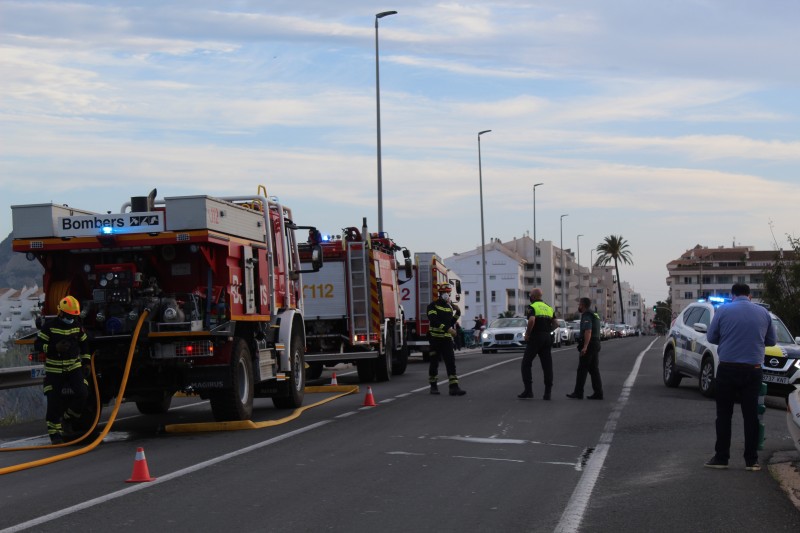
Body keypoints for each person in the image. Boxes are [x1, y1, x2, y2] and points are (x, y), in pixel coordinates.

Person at [704, 283, 775, 471]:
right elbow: (771, 341)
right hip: (753, 369)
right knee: (751, 415)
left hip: (727, 369)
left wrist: (729, 338)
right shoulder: (763, 313)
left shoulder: (723, 310)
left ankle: (721, 458)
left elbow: (711, 337)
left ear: (732, 295)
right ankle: (752, 460)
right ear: (749, 295)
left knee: (724, 414)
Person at [34, 295, 91, 444]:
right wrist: (54, 348)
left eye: (73, 316)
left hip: (73, 367)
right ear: (61, 313)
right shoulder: (50, 326)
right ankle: (55, 434)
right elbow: (38, 344)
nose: (70, 319)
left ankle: (67, 419)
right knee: (54, 402)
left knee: (82, 394)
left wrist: (86, 362)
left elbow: (84, 343)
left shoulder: (77, 326)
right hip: (54, 369)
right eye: (68, 316)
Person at [427, 283, 466, 396]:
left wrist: (457, 312)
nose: (446, 295)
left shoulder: (449, 307)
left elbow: (450, 322)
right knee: (434, 362)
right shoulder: (432, 306)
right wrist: (448, 329)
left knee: (450, 362)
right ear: (440, 294)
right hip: (435, 339)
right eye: (444, 293)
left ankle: (454, 387)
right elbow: (434, 321)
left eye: (448, 293)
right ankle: (433, 386)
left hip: (446, 340)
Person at [518, 288, 557, 400]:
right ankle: (547, 393)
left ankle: (528, 390)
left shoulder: (533, 307)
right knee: (547, 365)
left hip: (536, 337)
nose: (529, 297)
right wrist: (548, 331)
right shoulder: (549, 307)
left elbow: (531, 321)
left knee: (526, 363)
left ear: (534, 297)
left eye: (530, 295)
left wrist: (527, 334)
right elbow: (556, 323)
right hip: (547, 338)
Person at [567, 297, 604, 400]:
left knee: (582, 369)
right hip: (596, 343)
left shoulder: (587, 315)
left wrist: (585, 346)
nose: (578, 306)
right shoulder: (594, 314)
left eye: (579, 304)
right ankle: (598, 392)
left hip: (590, 344)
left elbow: (588, 331)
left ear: (582, 305)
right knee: (594, 370)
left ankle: (578, 392)